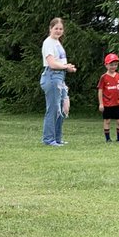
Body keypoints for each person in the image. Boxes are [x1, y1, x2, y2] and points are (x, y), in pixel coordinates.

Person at [40, 17, 77, 146]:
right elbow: (52, 63)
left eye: (61, 29)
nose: (58, 31)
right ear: (50, 29)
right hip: (52, 76)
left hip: (60, 77)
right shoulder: (48, 43)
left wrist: (67, 67)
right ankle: (49, 139)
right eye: (56, 28)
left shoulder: (57, 42)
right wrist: (66, 67)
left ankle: (57, 139)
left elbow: (59, 62)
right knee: (54, 109)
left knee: (64, 108)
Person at [97, 53, 119, 142]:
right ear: (106, 65)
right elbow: (100, 90)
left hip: (117, 102)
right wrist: (101, 103)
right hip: (107, 103)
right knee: (107, 120)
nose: (113, 66)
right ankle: (108, 138)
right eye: (111, 65)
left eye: (115, 64)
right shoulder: (104, 77)